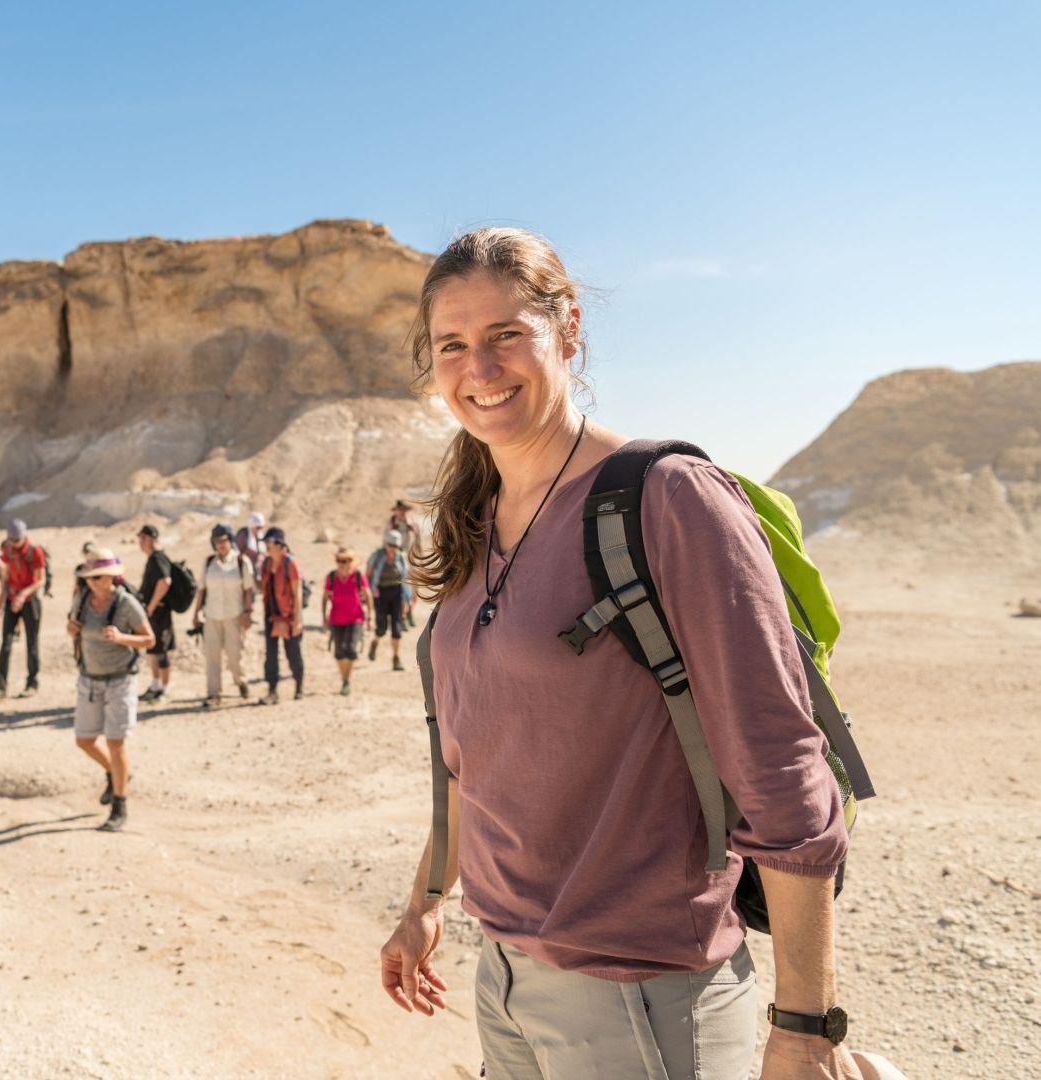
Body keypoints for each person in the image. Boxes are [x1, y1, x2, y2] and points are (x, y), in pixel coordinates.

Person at [377, 227, 857, 1079]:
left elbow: (782, 766)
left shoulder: (669, 500)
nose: (479, 368)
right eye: (452, 344)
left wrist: (805, 1028)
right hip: (505, 977)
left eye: (506, 335)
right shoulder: (474, 524)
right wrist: (425, 903)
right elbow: (473, 756)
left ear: (568, 330)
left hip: (645, 993)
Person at [66, 548, 154, 832]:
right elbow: (74, 628)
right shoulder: (83, 599)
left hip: (120, 680)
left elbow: (149, 639)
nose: (91, 582)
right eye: (89, 577)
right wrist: (71, 630)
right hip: (89, 679)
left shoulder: (126, 603)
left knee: (116, 742)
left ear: (110, 577)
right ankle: (116, 773)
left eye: (97, 577)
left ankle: (119, 805)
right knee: (85, 740)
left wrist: (121, 637)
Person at [191, 523, 255, 707]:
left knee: (234, 655)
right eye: (217, 541)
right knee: (212, 656)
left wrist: (247, 613)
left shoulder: (241, 562)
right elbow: (202, 590)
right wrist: (196, 613)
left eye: (223, 541)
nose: (220, 545)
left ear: (230, 541)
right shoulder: (209, 563)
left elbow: (248, 590)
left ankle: (241, 681)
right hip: (212, 615)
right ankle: (213, 693)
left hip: (234, 615)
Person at [0, 518, 45, 700]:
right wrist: (2, 600)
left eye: (17, 540)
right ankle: (0, 686)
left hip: (30, 601)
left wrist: (23, 595)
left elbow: (41, 580)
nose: (14, 543)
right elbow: (6, 576)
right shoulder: (7, 549)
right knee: (5, 644)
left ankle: (32, 683)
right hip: (12, 600)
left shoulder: (35, 551)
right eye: (11, 540)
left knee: (31, 643)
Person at [256, 527, 304, 704]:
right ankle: (272, 691)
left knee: (293, 652)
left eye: (269, 542)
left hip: (289, 616)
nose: (266, 545)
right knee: (271, 655)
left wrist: (297, 620)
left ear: (278, 544)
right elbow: (263, 588)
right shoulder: (266, 563)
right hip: (271, 614)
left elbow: (297, 593)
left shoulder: (290, 563)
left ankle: (299, 685)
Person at [321, 547, 372, 695]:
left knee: (350, 650)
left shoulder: (358, 576)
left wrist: (370, 617)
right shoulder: (331, 577)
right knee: (339, 652)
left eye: (345, 561)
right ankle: (344, 679)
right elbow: (324, 598)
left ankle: (347, 680)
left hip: (355, 618)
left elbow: (368, 596)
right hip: (336, 619)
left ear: (351, 562)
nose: (341, 564)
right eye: (339, 561)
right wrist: (324, 617)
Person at [136, 524, 175, 704]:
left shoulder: (158, 558)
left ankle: (165, 689)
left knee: (161, 652)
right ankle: (155, 686)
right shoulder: (153, 558)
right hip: (153, 613)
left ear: (150, 539)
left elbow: (165, 581)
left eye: (142, 538)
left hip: (159, 613)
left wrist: (151, 605)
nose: (140, 543)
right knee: (153, 650)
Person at [365, 530, 410, 671]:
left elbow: (405, 580)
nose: (392, 548)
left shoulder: (401, 558)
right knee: (382, 628)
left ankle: (396, 659)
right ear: (385, 543)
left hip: (396, 594)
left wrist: (406, 600)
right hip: (380, 594)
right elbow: (367, 575)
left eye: (395, 546)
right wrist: (369, 593)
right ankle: (375, 642)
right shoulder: (377, 556)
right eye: (390, 545)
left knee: (397, 629)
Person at [388, 499, 421, 627]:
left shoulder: (414, 525)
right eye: (400, 510)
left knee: (415, 590)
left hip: (412, 561)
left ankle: (410, 611)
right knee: (402, 590)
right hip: (398, 562)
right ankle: (403, 616)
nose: (402, 512)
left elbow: (418, 544)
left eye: (404, 510)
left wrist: (420, 561)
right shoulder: (391, 525)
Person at [235, 511, 268, 577]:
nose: (260, 530)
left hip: (260, 566)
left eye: (261, 527)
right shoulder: (243, 535)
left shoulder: (262, 535)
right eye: (258, 527)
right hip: (245, 566)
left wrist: (261, 556)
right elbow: (237, 552)